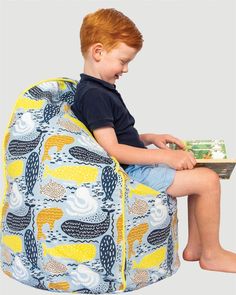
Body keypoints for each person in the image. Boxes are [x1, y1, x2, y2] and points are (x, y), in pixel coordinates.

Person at [71, 8, 236, 273]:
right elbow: (112, 149)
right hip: (131, 173)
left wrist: (150, 138)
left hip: (136, 165)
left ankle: (196, 248)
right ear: (98, 52)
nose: (125, 69)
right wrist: (165, 157)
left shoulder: (101, 89)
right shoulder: (93, 95)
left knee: (199, 174)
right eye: (123, 60)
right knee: (208, 180)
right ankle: (213, 254)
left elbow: (118, 134)